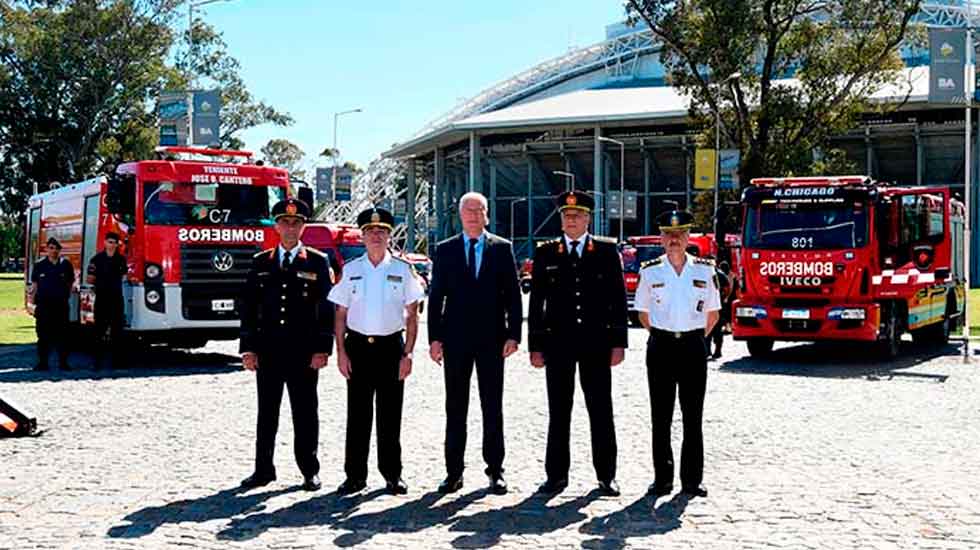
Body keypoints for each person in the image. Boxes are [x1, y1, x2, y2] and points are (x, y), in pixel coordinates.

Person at [528, 190, 628, 497]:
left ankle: (606, 476)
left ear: (588, 218)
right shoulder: (546, 253)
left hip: (596, 344)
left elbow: (618, 300)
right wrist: (535, 344)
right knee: (559, 411)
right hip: (558, 345)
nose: (572, 220)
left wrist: (618, 342)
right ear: (561, 220)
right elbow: (537, 303)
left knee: (600, 410)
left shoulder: (607, 251)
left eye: (578, 215)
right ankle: (556, 476)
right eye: (567, 216)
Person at [428, 192, 522, 496]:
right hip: (455, 341)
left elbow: (513, 295)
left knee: (492, 407)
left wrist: (514, 334)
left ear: (487, 215)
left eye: (478, 210)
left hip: (492, 341)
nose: (472, 215)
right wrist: (435, 338)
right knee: (455, 408)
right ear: (459, 215)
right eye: (467, 210)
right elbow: (436, 298)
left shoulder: (502, 249)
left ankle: (496, 470)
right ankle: (453, 472)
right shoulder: (445, 250)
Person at [238, 198, 333, 492]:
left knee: (305, 412)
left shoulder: (317, 261)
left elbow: (325, 308)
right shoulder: (261, 262)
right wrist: (248, 348)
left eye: (296, 223)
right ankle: (263, 470)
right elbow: (249, 308)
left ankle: (309, 470)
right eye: (285, 222)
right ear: (276, 226)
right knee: (267, 413)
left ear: (303, 226)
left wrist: (322, 348)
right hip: (268, 351)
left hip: (303, 353)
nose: (291, 228)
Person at [330, 207, 424, 496]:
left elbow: (412, 315)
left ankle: (392, 475)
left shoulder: (401, 269)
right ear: (362, 236)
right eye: (370, 231)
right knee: (357, 416)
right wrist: (341, 353)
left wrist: (407, 354)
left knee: (389, 415)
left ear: (388, 235)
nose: (376, 235)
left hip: (390, 349)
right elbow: (340, 315)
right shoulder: (352, 269)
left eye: (381, 231)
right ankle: (355, 476)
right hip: (357, 347)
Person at [634, 210, 721, 499]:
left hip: (693, 347)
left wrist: (693, 337)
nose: (674, 239)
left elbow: (713, 313)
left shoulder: (705, 270)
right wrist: (665, 334)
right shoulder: (650, 270)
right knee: (661, 417)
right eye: (669, 234)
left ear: (688, 237)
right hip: (661, 347)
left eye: (680, 234)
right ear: (661, 238)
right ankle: (662, 479)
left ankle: (692, 480)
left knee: (693, 416)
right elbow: (643, 313)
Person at [30, 237, 75, 371]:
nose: (53, 251)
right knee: (43, 335)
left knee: (63, 335)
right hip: (44, 306)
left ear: (60, 250)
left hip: (60, 305)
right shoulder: (39, 265)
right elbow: (35, 284)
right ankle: (43, 363)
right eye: (51, 248)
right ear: (46, 249)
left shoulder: (65, 265)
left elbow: (71, 282)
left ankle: (63, 363)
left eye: (56, 248)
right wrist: (32, 299)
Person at [86, 232, 128, 370]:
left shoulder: (121, 260)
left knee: (117, 331)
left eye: (114, 242)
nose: (111, 245)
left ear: (117, 244)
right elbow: (90, 279)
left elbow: (124, 276)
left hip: (116, 298)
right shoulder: (96, 260)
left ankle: (117, 362)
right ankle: (97, 362)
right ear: (105, 243)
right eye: (109, 242)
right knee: (99, 331)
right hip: (102, 298)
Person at [706, 261, 733, 359]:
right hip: (711, 305)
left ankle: (716, 351)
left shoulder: (719, 274)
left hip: (716, 305)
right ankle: (709, 351)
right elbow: (727, 289)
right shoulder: (715, 274)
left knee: (716, 329)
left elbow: (727, 288)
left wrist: (722, 297)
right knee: (711, 329)